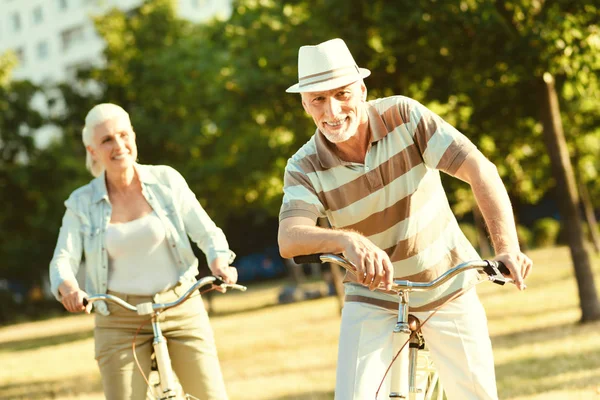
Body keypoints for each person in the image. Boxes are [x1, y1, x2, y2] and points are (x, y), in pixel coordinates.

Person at [277, 38, 533, 400]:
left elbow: (480, 169)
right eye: (318, 99)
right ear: (305, 104)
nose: (332, 111)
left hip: (445, 283)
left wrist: (507, 248)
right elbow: (289, 237)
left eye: (342, 94)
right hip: (372, 295)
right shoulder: (304, 166)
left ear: (362, 90)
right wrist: (346, 240)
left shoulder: (404, 116)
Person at [49, 103, 237, 400]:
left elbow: (207, 232)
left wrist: (219, 262)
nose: (119, 145)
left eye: (124, 135)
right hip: (118, 319)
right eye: (107, 140)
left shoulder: (166, 180)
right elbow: (63, 258)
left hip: (181, 305)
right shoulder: (81, 203)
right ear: (92, 150)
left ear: (134, 136)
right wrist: (69, 287)